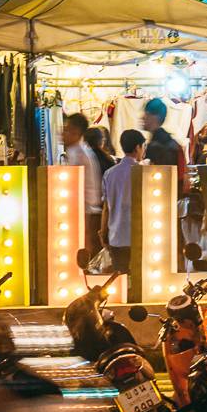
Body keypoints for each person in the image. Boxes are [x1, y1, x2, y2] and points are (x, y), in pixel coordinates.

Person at [59, 111, 107, 263]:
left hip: (85, 211)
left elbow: (75, 186)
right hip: (85, 210)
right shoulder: (79, 151)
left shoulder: (78, 153)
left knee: (83, 252)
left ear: (76, 132)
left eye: (66, 130)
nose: (62, 134)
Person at [101, 129, 145, 284]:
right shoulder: (143, 172)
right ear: (138, 147)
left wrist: (103, 231)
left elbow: (106, 207)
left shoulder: (109, 173)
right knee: (139, 281)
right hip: (139, 235)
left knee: (120, 280)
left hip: (116, 235)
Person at [141, 98, 182, 166]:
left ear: (155, 117)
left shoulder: (158, 145)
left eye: (146, 114)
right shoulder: (167, 141)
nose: (143, 117)